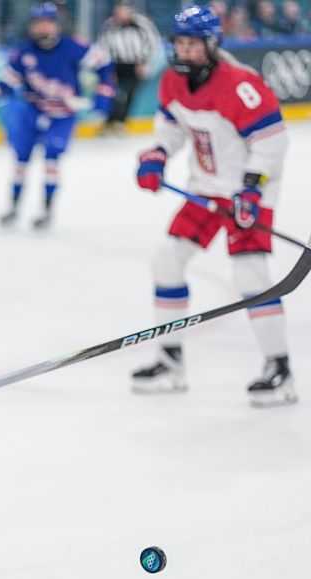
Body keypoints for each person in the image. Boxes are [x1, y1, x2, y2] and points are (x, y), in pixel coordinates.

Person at [131, 5, 295, 408]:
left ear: (212, 43)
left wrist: (252, 190)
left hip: (246, 191)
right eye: (180, 43)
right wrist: (157, 153)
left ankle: (280, 370)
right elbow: (171, 127)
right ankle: (171, 361)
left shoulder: (240, 85)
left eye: (192, 44)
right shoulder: (172, 80)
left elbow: (272, 142)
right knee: (167, 260)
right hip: (204, 190)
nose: (184, 51)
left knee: (250, 275)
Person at [0, 2, 115, 230]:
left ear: (56, 25)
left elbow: (104, 65)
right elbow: (9, 81)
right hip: (32, 111)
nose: (43, 29)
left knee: (52, 160)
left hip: (62, 114)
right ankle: (13, 208)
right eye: (39, 24)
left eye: (48, 23)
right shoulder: (23, 52)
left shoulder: (73, 47)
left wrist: (103, 95)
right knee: (21, 160)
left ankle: (47, 210)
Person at [97, 0, 163, 134]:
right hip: (116, 65)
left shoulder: (142, 23)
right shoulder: (109, 25)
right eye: (118, 11)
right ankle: (111, 122)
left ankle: (119, 123)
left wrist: (145, 63)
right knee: (115, 94)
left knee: (129, 94)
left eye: (123, 10)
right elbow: (103, 46)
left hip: (136, 64)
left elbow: (153, 42)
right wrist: (108, 69)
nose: (120, 14)